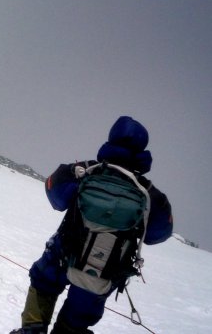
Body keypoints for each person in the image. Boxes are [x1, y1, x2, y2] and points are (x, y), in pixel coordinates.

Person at [11, 116, 173, 334]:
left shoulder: (85, 171)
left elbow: (55, 196)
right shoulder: (151, 195)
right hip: (104, 271)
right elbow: (157, 234)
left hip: (61, 255)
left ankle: (32, 330)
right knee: (76, 320)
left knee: (43, 286)